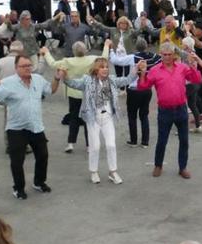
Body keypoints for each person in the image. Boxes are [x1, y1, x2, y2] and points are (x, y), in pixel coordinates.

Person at [59, 57, 144, 185]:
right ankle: (93, 171)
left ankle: (112, 172)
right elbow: (73, 84)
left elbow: (126, 80)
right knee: (95, 146)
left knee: (111, 145)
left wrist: (136, 69)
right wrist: (65, 77)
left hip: (107, 117)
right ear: (95, 69)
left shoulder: (112, 80)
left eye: (106, 67)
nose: (105, 69)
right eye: (102, 67)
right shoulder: (87, 81)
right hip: (93, 118)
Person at [0, 55, 57, 200]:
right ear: (16, 68)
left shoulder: (38, 79)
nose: (27, 68)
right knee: (17, 161)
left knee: (43, 156)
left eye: (29, 65)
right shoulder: (8, 83)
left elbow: (51, 90)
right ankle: (18, 188)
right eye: (24, 66)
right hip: (16, 128)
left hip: (36, 126)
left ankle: (39, 182)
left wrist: (57, 78)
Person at [137, 42, 202, 179]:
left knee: (184, 141)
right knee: (162, 141)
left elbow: (197, 79)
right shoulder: (155, 70)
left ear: (174, 55)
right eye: (164, 54)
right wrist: (142, 73)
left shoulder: (182, 68)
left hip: (181, 109)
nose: (167, 57)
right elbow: (143, 87)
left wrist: (193, 65)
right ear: (160, 54)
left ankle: (182, 167)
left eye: (169, 54)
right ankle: (158, 165)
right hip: (164, 111)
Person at [41, 41, 111, 153]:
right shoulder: (92, 59)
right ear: (86, 50)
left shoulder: (67, 61)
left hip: (73, 93)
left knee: (73, 118)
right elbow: (104, 58)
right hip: (88, 92)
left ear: (73, 51)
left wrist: (46, 52)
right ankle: (89, 145)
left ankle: (70, 143)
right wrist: (106, 45)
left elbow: (53, 64)